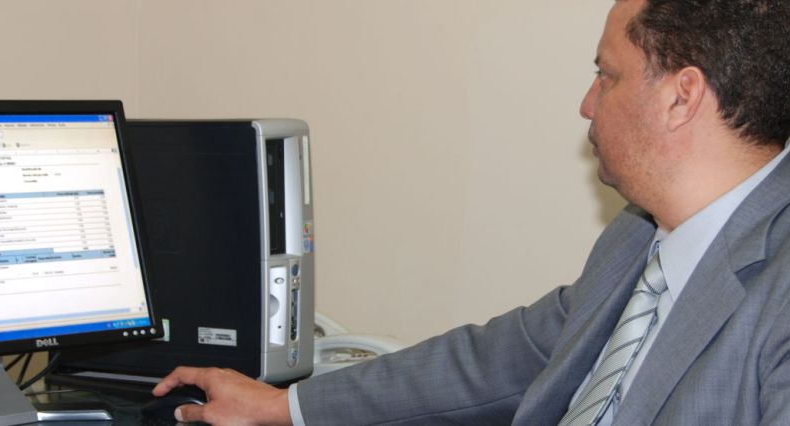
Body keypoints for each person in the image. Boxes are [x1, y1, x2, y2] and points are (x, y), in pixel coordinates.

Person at [153, 0, 790, 424]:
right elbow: (499, 363)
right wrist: (285, 408)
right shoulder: (637, 238)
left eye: (608, 75)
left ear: (682, 97)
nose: (587, 104)